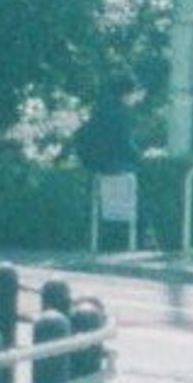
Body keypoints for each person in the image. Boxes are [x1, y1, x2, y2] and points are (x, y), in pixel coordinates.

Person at [72, 83, 145, 255]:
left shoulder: (99, 109)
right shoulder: (120, 113)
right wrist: (140, 158)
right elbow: (124, 142)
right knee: (134, 201)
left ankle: (100, 240)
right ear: (125, 94)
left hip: (97, 165)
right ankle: (137, 240)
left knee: (102, 204)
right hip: (117, 163)